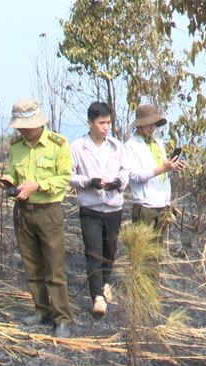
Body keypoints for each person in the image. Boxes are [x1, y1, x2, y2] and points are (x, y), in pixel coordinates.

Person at [0, 98, 72, 338]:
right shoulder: (16, 146)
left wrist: (37, 186)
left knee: (54, 268)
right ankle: (41, 310)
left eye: (25, 126)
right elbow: (11, 170)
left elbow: (64, 178)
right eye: (18, 126)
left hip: (48, 212)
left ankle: (62, 318)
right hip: (22, 213)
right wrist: (8, 180)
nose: (21, 130)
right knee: (32, 266)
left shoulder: (58, 144)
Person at [70, 102, 128, 317]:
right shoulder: (77, 147)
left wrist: (117, 182)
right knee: (93, 251)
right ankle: (97, 297)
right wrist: (88, 182)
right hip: (91, 207)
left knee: (109, 252)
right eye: (101, 123)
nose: (106, 127)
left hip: (113, 206)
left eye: (108, 123)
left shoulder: (116, 146)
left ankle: (104, 284)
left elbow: (125, 171)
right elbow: (69, 175)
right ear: (90, 123)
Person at [125, 104, 185, 242]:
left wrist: (173, 166)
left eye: (154, 124)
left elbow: (163, 170)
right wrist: (163, 168)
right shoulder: (131, 146)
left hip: (162, 204)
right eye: (148, 125)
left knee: (157, 251)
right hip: (145, 206)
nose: (151, 128)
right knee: (143, 252)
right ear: (139, 125)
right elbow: (134, 176)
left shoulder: (158, 143)